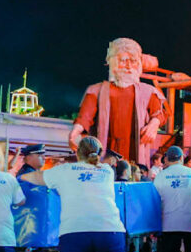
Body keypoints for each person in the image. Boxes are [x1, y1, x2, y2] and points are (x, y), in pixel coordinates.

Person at [69, 38, 169, 166]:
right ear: (112, 61)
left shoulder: (148, 91)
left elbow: (160, 113)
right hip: (105, 155)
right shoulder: (96, 90)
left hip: (135, 155)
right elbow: (85, 117)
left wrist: (154, 124)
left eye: (133, 61)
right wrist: (75, 132)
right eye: (123, 60)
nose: (128, 66)